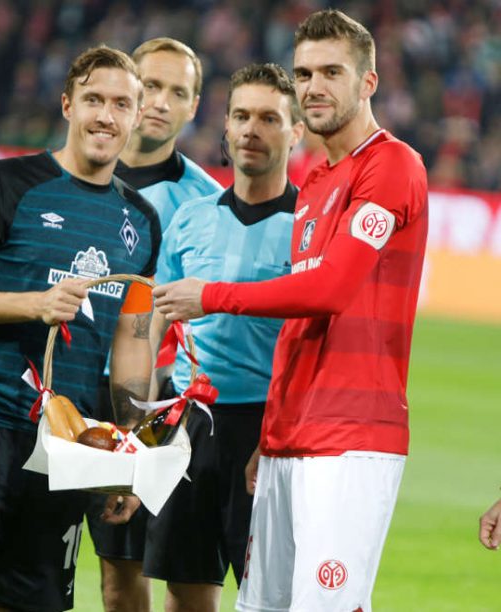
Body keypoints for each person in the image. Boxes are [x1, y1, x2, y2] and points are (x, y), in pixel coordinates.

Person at [153, 9, 429, 612]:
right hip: (288, 437)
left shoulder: (392, 165)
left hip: (351, 437)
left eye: (332, 72)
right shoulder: (321, 182)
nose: (314, 87)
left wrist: (213, 295)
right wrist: (272, 430)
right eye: (304, 73)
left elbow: (330, 291)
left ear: (369, 83)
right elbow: (299, 328)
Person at [0, 46, 161, 611]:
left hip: (63, 446)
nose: (106, 116)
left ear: (137, 117)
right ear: (67, 104)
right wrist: (35, 304)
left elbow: (132, 345)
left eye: (121, 104)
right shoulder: (4, 184)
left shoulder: (141, 222)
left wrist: (130, 451)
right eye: (93, 99)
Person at [145, 63, 302, 612]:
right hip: (191, 423)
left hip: (270, 428)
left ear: (295, 132)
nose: (252, 129)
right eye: (241, 115)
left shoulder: (310, 230)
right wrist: (141, 419)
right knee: (185, 590)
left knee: (270, 594)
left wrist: (279, 435)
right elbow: (154, 324)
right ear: (226, 126)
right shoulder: (190, 218)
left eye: (269, 118)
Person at [85, 37, 221, 612]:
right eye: (153, 86)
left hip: (157, 406)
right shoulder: (70, 179)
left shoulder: (206, 202)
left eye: (178, 92)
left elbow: (210, 328)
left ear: (194, 107)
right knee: (106, 577)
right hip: (67, 393)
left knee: (168, 578)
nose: (161, 102)